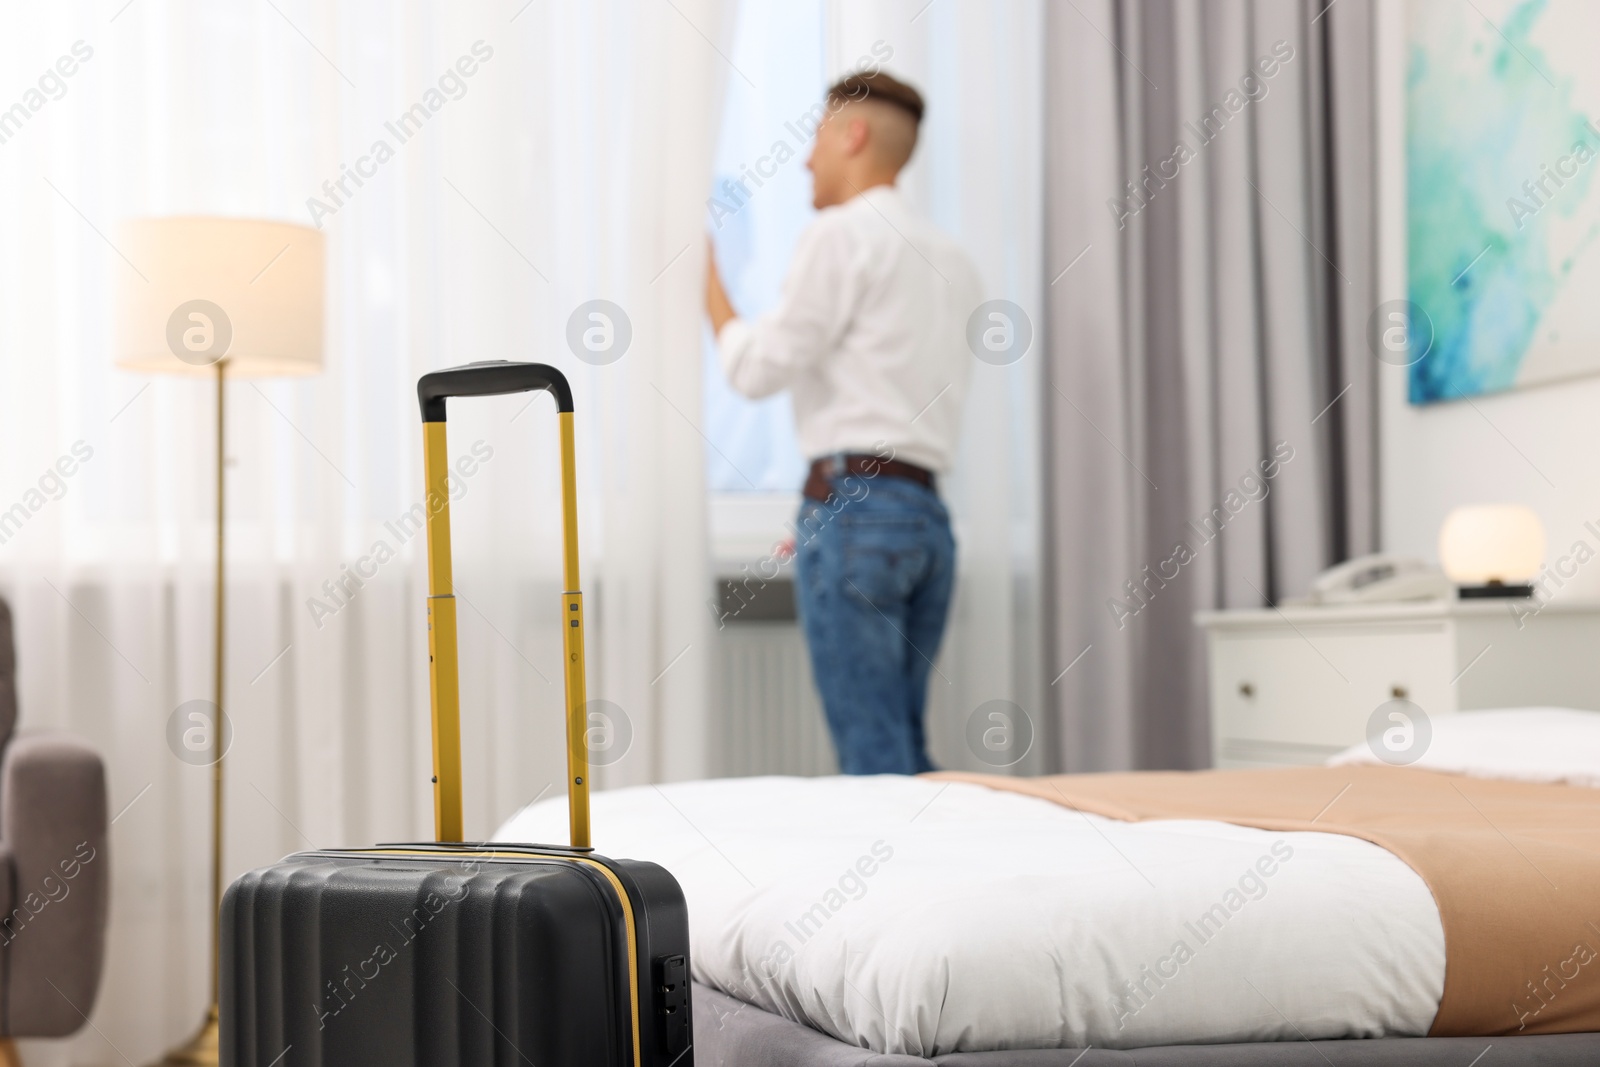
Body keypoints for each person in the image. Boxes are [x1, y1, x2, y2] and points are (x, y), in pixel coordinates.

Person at [704, 70, 982, 775]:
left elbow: (758, 369)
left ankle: (903, 887)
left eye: (817, 138)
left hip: (854, 510)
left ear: (853, 135)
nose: (804, 160)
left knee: (872, 757)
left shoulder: (838, 235)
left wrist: (709, 289)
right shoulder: (952, 261)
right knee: (902, 748)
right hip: (927, 518)